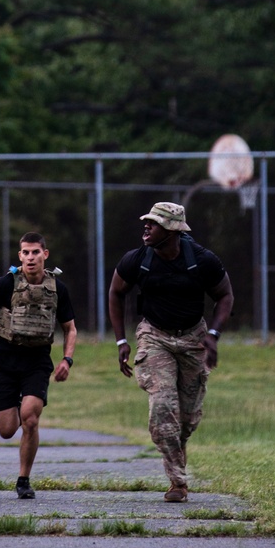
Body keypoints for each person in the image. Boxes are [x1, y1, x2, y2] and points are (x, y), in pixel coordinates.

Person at [109, 200, 233, 503]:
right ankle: (178, 483)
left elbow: (225, 295)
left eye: (155, 223)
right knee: (163, 410)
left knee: (186, 421)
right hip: (154, 337)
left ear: (173, 230)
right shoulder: (137, 259)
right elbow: (116, 292)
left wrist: (213, 335)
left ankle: (176, 462)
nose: (146, 227)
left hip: (194, 338)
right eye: (147, 222)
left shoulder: (202, 261)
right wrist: (121, 341)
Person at [0, 231, 77, 499]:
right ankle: (16, 402)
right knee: (6, 430)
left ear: (45, 255)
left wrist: (67, 359)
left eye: (35, 252)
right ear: (20, 256)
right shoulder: (6, 284)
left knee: (30, 419)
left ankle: (23, 479)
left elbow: (70, 328)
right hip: (4, 358)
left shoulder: (57, 289)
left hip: (37, 360)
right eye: (25, 253)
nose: (30, 257)